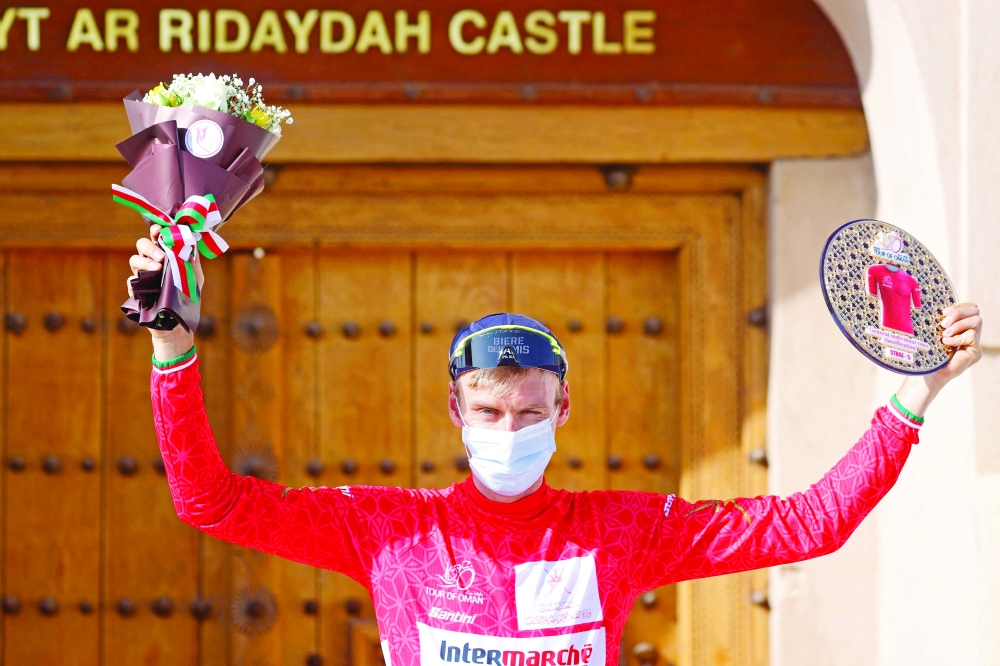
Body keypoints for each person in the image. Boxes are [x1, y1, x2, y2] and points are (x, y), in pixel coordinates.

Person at [129, 232, 983, 666]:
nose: (509, 431)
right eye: (489, 412)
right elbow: (210, 501)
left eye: (528, 412)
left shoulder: (623, 531)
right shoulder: (386, 529)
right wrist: (175, 351)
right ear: (454, 411)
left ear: (563, 408)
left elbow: (808, 525)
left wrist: (919, 391)